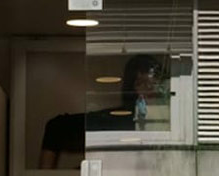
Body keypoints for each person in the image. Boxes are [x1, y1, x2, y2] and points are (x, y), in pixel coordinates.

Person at [37, 55, 165, 169]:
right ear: (131, 89)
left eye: (155, 83)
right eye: (141, 83)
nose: (149, 88)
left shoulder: (171, 124)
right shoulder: (117, 120)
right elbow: (56, 128)